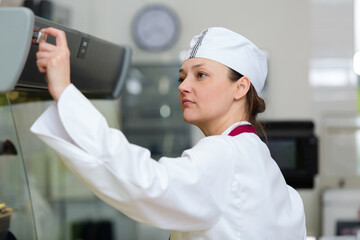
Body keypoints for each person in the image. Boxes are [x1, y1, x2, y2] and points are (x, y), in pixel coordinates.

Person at [31, 27, 306, 239]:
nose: (183, 87)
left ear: (240, 88)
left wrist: (65, 92)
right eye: (182, 77)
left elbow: (146, 184)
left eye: (200, 75)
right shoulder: (257, 157)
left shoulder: (226, 152)